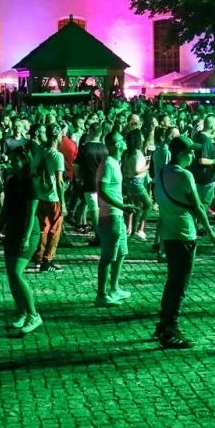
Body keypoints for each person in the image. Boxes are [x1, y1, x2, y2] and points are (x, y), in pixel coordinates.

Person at [153, 135, 215, 349]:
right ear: (180, 154)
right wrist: (210, 231)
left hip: (169, 233)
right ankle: (171, 327)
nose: (193, 155)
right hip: (184, 233)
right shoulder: (185, 175)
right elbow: (198, 206)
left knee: (172, 280)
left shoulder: (161, 172)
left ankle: (163, 322)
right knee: (180, 283)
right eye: (190, 152)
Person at [1, 131, 43, 335]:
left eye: (16, 160)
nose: (13, 163)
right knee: (11, 274)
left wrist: (26, 237)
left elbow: (31, 213)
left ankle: (33, 314)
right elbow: (5, 208)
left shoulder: (31, 181)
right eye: (12, 159)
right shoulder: (11, 181)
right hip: (12, 228)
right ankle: (21, 312)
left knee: (17, 273)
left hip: (28, 230)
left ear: (25, 161)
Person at [94, 127, 132, 307]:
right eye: (122, 140)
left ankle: (114, 288)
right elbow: (102, 190)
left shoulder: (115, 162)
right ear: (117, 144)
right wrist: (121, 206)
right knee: (108, 257)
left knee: (122, 252)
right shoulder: (108, 163)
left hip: (118, 215)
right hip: (111, 215)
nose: (125, 142)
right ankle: (101, 295)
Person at [30, 125, 67, 273]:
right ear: (56, 136)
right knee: (54, 230)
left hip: (41, 195)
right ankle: (48, 260)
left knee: (43, 228)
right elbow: (59, 181)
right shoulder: (57, 155)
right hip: (53, 197)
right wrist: (63, 203)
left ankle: (38, 258)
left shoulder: (41, 151)